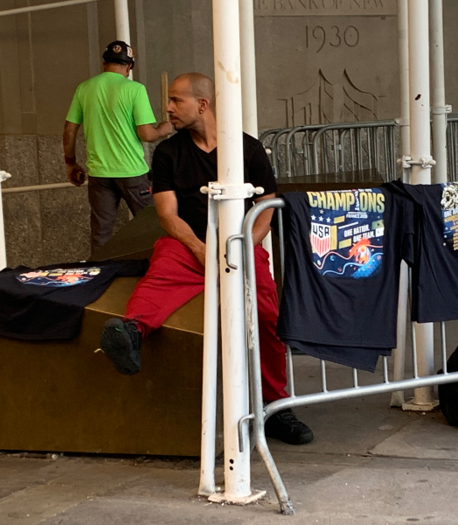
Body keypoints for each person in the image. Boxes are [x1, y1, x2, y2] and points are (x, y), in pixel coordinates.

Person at [98, 73, 314, 445]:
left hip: (240, 243)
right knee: (160, 274)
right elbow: (167, 214)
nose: (167, 108)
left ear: (203, 103)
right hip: (187, 244)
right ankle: (131, 332)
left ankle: (275, 406)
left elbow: (266, 207)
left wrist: (247, 242)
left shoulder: (246, 148)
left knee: (265, 315)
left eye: (175, 100)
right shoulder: (168, 152)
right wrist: (201, 250)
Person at [63, 40, 173, 253]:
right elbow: (147, 134)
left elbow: (69, 130)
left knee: (101, 233)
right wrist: (164, 129)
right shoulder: (135, 89)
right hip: (132, 172)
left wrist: (71, 163)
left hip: (99, 174)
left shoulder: (84, 88)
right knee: (152, 227)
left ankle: (101, 277)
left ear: (104, 64)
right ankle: (155, 272)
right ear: (129, 67)